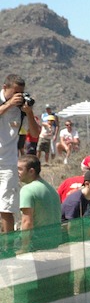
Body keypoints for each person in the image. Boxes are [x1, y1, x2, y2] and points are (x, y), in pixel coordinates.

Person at [0, 73, 40, 233]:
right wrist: (8, 105)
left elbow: (35, 133)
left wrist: (29, 112)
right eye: (15, 92)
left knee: (6, 207)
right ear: (5, 88)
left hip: (8, 163)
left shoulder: (21, 111)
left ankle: (8, 244)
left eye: (21, 93)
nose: (19, 96)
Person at [18, 154, 60, 230]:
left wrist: (24, 238)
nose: (17, 172)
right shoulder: (52, 190)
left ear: (31, 171)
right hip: (56, 236)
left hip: (38, 237)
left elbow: (27, 222)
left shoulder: (27, 190)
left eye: (20, 169)